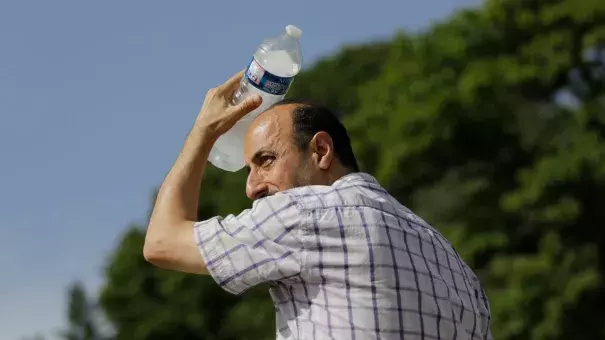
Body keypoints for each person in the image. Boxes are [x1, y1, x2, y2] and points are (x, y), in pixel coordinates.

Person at [143, 70, 493, 340]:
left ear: (321, 151)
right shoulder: (451, 260)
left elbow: (161, 243)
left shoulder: (305, 214)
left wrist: (202, 132)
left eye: (265, 160)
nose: (251, 187)